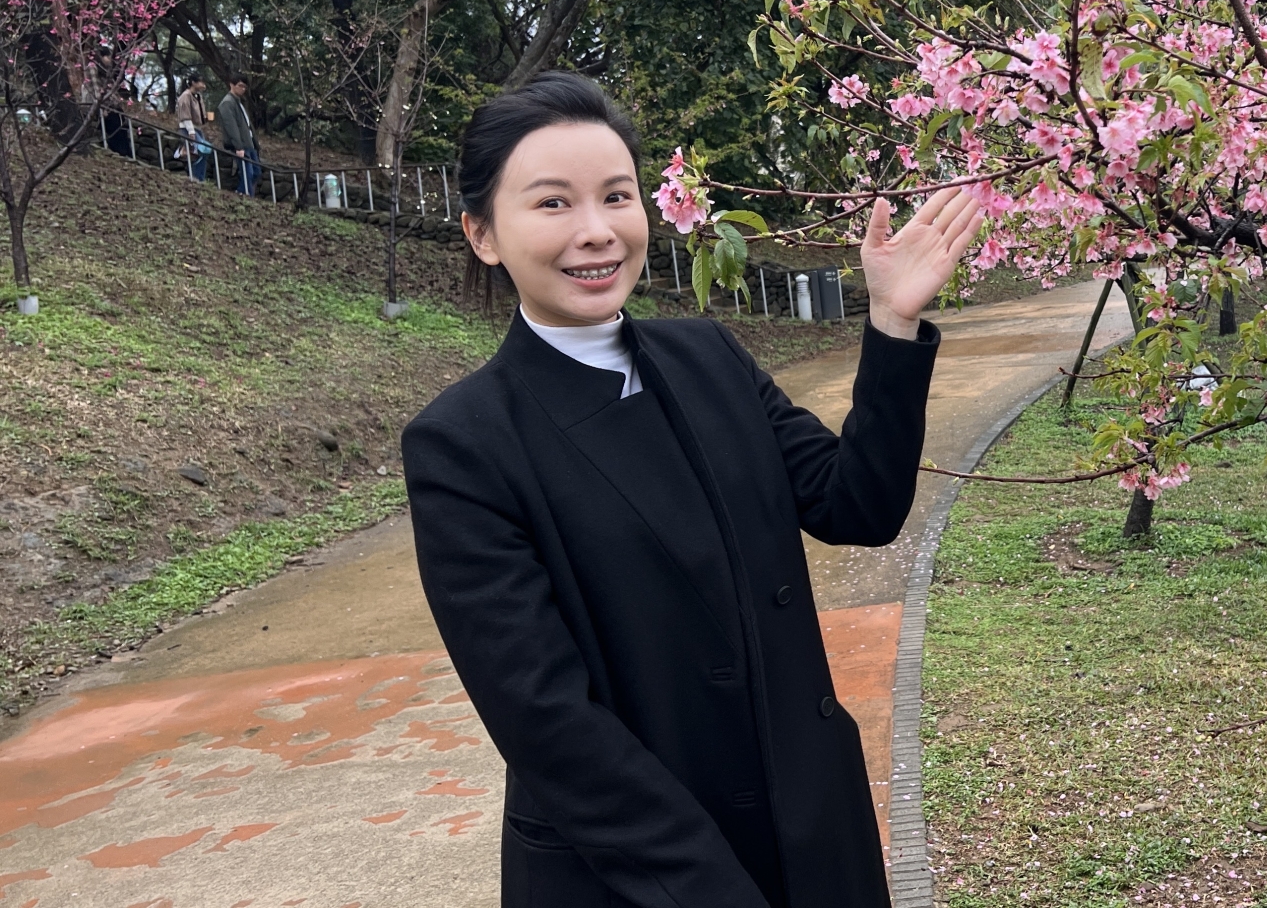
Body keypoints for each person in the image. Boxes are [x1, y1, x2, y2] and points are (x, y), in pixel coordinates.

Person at [400, 72, 981, 908]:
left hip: (810, 831)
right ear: (483, 233)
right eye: (553, 203)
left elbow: (857, 504)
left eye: (617, 195)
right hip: (640, 875)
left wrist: (892, 323)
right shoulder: (464, 443)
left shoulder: (708, 356)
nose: (597, 230)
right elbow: (549, 722)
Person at [215, 75, 261, 195]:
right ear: (232, 85)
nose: (243, 89)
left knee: (256, 171)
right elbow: (231, 126)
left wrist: (255, 143)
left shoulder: (239, 102)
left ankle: (242, 192)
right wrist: (238, 146)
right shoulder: (227, 103)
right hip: (241, 144)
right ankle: (244, 194)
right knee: (248, 172)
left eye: (245, 87)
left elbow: (247, 125)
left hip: (249, 142)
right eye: (240, 86)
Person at [174, 77, 211, 184]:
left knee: (203, 151)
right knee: (199, 151)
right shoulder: (186, 96)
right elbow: (185, 116)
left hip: (197, 128)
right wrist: (191, 131)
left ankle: (200, 177)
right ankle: (195, 177)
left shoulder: (198, 96)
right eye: (201, 82)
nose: (203, 84)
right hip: (187, 128)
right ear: (193, 83)